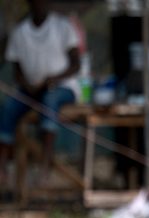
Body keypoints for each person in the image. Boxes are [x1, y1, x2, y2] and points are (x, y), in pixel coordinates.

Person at [0, 0, 80, 186]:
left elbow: (76, 64)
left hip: (62, 88)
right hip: (29, 90)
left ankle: (45, 165)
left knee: (50, 100)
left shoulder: (63, 27)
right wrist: (28, 85)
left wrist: (53, 79)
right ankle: (2, 167)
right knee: (9, 107)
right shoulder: (20, 32)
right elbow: (17, 70)